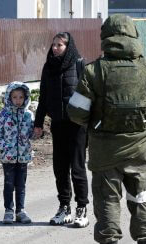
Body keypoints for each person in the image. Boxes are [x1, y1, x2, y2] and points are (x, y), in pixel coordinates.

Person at [67, 14, 146, 244]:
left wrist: (96, 124)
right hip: (140, 149)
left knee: (107, 201)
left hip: (105, 150)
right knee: (141, 199)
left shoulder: (94, 71)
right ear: (134, 36)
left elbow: (75, 112)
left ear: (106, 38)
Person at [33, 32, 89, 227]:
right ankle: (64, 207)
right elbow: (43, 97)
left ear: (68, 47)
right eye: (54, 44)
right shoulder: (49, 67)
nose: (55, 48)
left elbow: (90, 96)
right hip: (58, 124)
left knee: (77, 168)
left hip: (78, 126)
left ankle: (81, 208)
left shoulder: (80, 65)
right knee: (60, 168)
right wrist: (38, 123)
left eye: (60, 45)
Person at [0, 82, 34, 224]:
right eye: (14, 97)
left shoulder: (28, 115)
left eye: (21, 97)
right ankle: (8, 210)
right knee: (9, 184)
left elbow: (32, 133)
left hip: (23, 156)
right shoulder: (2, 114)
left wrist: (38, 133)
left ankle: (21, 211)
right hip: (8, 157)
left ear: (25, 98)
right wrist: (4, 147)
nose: (18, 100)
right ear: (9, 97)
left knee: (21, 184)